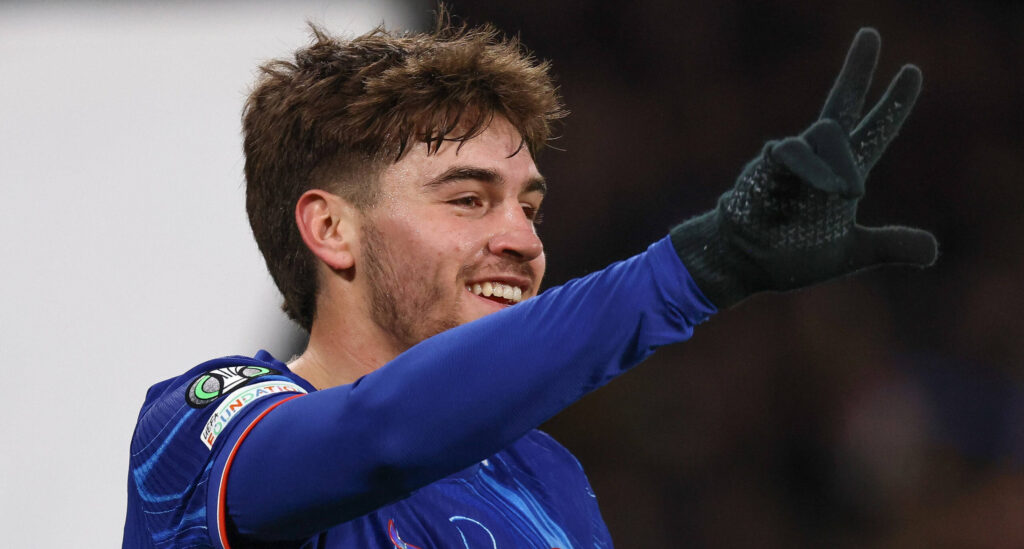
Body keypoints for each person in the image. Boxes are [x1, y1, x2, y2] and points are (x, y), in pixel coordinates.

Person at [122, 15, 937, 548]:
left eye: (530, 207)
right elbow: (378, 438)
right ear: (332, 228)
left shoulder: (542, 476)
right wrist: (689, 273)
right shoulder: (198, 429)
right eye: (469, 199)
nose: (522, 239)